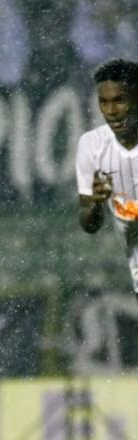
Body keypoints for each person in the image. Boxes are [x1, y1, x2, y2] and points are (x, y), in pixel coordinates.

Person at [76, 59, 138, 303]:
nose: (111, 111)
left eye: (119, 101)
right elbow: (88, 223)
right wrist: (95, 204)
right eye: (104, 102)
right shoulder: (91, 146)